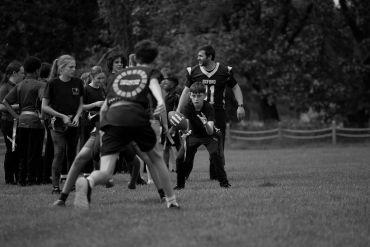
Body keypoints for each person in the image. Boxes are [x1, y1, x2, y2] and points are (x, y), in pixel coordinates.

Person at [74, 40, 179, 209]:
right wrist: (160, 101)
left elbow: (104, 107)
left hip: (112, 119)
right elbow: (154, 86)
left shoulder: (116, 76)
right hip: (136, 116)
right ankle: (171, 201)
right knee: (157, 159)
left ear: (135, 57)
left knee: (106, 171)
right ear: (154, 58)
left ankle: (89, 181)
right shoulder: (149, 71)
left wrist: (102, 132)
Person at [176, 45, 245, 180]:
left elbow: (236, 87)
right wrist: (178, 110)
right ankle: (183, 175)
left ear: (210, 56)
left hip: (217, 114)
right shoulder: (193, 71)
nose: (198, 58)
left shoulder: (225, 70)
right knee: (189, 145)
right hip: (195, 114)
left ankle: (216, 176)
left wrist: (240, 106)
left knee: (217, 146)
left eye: (201, 56)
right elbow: (186, 91)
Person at [174, 82, 230, 189]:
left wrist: (205, 124)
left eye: (199, 96)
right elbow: (185, 125)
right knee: (180, 158)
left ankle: (224, 183)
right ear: (190, 95)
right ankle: (180, 185)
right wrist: (184, 133)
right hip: (193, 135)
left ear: (204, 96)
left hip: (209, 135)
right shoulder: (187, 107)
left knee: (215, 156)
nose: (196, 99)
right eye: (193, 96)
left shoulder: (208, 107)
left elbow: (210, 131)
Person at [42, 55, 84, 194]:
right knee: (59, 152)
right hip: (57, 124)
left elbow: (81, 104)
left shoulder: (78, 82)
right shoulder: (52, 83)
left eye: (74, 67)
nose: (74, 69)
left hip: (74, 124)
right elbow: (44, 107)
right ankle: (55, 186)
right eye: (70, 67)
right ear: (61, 68)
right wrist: (62, 116)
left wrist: (77, 116)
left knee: (72, 154)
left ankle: (71, 185)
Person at [3, 56, 45, 185]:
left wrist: (16, 116)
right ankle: (32, 179)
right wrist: (42, 117)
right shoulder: (41, 84)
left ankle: (21, 179)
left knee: (22, 152)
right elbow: (43, 102)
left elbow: (5, 101)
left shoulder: (20, 85)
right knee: (34, 152)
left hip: (21, 122)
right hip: (35, 122)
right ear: (37, 70)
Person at [0, 61, 24, 184]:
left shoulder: (17, 86)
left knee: (17, 150)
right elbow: (1, 106)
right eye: (21, 73)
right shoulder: (5, 87)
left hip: (17, 123)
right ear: (14, 73)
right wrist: (18, 106)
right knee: (11, 150)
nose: (23, 75)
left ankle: (18, 176)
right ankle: (9, 179)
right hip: (8, 123)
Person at [161, 76, 181, 171]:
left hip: (173, 127)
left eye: (167, 83)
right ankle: (165, 168)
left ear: (173, 85)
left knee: (176, 147)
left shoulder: (176, 97)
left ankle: (179, 168)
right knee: (166, 147)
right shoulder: (166, 96)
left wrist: (173, 127)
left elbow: (178, 113)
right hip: (165, 127)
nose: (165, 85)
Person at [39, 62, 53, 184]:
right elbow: (43, 104)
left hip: (44, 119)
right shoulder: (45, 85)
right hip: (45, 119)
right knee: (47, 148)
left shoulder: (43, 84)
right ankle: (45, 176)